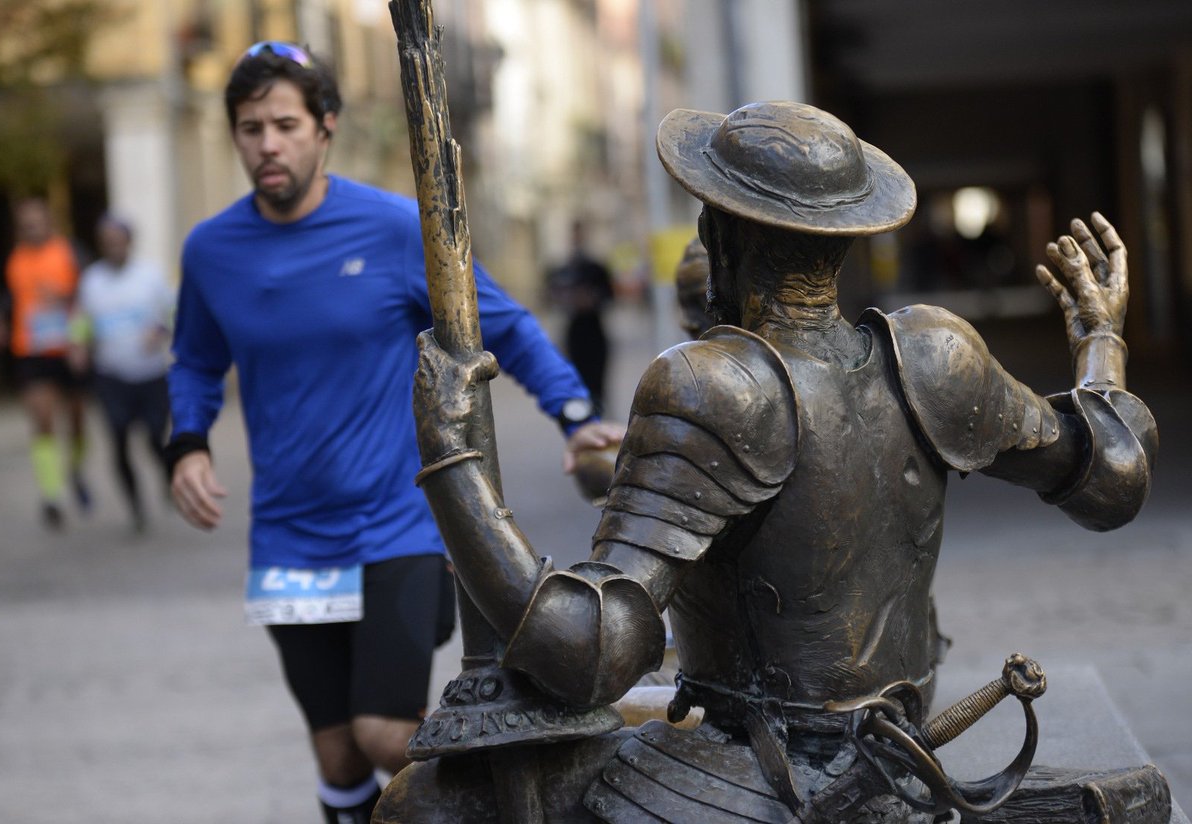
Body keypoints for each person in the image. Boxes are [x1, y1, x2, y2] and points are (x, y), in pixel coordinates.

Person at [392, 101, 1158, 821]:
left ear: (723, 238)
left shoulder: (709, 384)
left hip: (765, 777)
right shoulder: (937, 352)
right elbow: (1112, 480)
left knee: (421, 804)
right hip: (903, 735)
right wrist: (1100, 339)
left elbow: (592, 654)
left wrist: (452, 458)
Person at [164, 42, 620, 824]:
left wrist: (573, 415)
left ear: (325, 128)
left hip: (397, 526)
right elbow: (195, 363)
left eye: (284, 124)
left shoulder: (396, 229)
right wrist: (188, 442)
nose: (267, 144)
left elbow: (501, 324)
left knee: (385, 735)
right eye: (249, 129)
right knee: (337, 751)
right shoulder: (212, 251)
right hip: (288, 536)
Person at [71, 215, 174, 533]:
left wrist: (158, 332)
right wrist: (77, 345)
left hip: (150, 372)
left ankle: (168, 477)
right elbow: (81, 319)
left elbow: (172, 313)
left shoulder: (150, 276)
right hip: (111, 374)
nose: (113, 246)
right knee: (118, 440)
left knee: (155, 437)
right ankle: (136, 508)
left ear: (129, 241)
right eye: (107, 241)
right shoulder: (91, 280)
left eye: (118, 239)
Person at [0, 197, 91, 529]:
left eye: (36, 221)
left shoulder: (69, 251)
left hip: (68, 349)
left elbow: (88, 297)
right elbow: (9, 298)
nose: (30, 227)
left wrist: (69, 313)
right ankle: (51, 496)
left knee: (76, 422)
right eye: (25, 223)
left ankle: (75, 469)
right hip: (31, 352)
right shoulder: (15, 260)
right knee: (42, 420)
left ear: (49, 221)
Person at [547, 220, 615, 411]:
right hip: (575, 334)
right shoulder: (563, 269)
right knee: (577, 383)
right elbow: (551, 296)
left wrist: (591, 299)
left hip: (594, 333)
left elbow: (609, 296)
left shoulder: (596, 268)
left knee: (597, 384)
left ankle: (598, 414)